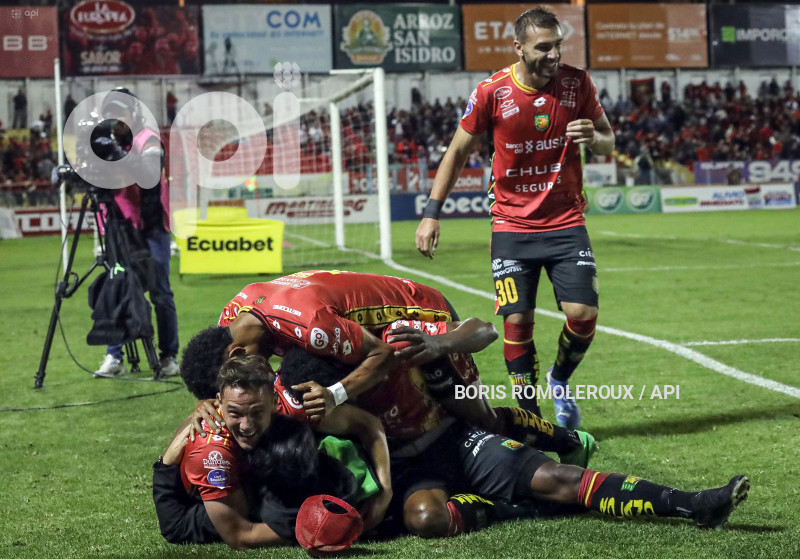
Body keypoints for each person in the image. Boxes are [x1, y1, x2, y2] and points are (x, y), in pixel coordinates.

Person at [279, 337, 750, 538]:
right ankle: (517, 506)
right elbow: (366, 427)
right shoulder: (310, 399)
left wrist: (441, 344)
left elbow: (479, 328)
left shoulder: (390, 347)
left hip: (456, 436)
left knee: (560, 477)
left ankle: (693, 503)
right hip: (410, 470)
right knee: (425, 519)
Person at [415, 7, 615, 428]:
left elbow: (607, 141)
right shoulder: (492, 92)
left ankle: (559, 378)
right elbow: (456, 152)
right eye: (544, 47)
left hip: (565, 223)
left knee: (582, 315)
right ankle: (532, 416)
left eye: (558, 44)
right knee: (518, 320)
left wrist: (593, 138)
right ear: (519, 48)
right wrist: (432, 214)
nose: (554, 54)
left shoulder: (578, 83)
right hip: (511, 226)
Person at [153, 353, 391, 549]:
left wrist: (386, 490)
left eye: (256, 413)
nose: (246, 425)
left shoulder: (292, 404)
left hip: (248, 468)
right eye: (235, 413)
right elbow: (240, 535)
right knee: (269, 507)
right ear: (220, 403)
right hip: (190, 508)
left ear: (275, 402)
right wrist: (319, 532)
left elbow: (368, 424)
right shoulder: (214, 454)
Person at [93, 88, 180, 378]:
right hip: (119, 228)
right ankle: (114, 356)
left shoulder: (148, 139)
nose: (115, 119)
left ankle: (168, 357)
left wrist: (118, 157)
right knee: (117, 289)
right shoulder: (106, 141)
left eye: (120, 112)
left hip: (151, 227)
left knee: (160, 293)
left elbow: (148, 177)